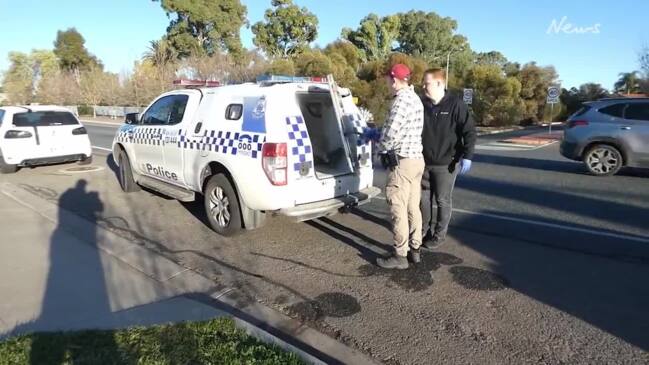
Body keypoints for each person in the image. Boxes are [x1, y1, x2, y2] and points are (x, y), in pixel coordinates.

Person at [375, 64, 425, 270]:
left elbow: (390, 134)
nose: (387, 83)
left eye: (388, 80)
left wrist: (378, 148)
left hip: (402, 163)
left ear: (394, 80)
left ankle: (400, 255)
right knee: (413, 207)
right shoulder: (415, 99)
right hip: (416, 160)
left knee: (398, 207)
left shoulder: (401, 102)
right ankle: (415, 249)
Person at [420, 68, 477, 250]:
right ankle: (423, 231)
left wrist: (467, 156)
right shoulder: (422, 104)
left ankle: (439, 235)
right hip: (423, 163)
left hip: (446, 164)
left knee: (442, 200)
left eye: (426, 83)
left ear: (439, 83)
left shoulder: (456, 105)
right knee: (422, 200)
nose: (423, 86)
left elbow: (469, 132)